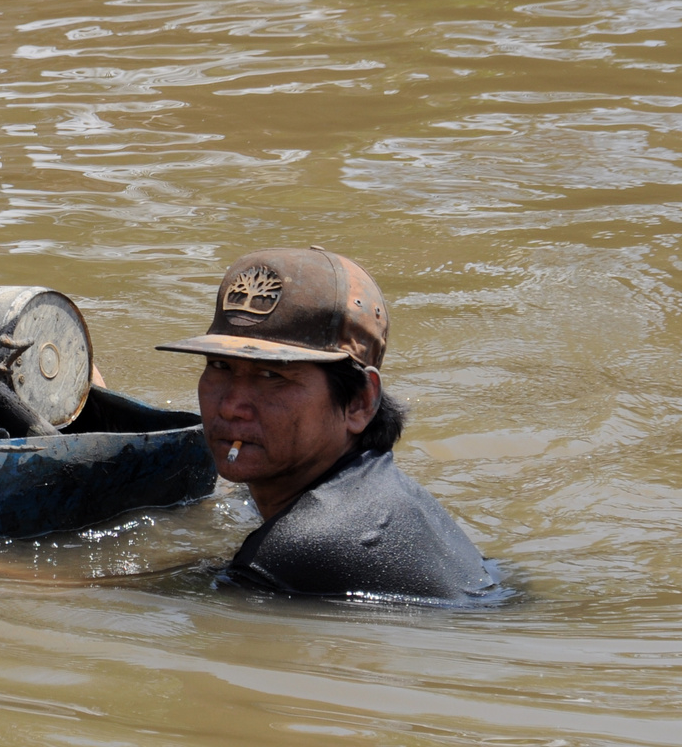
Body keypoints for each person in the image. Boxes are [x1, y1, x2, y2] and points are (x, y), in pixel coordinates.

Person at [155, 246, 497, 602]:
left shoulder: (306, 547)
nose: (229, 406)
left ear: (359, 402)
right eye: (219, 366)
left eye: (272, 375)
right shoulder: (378, 493)